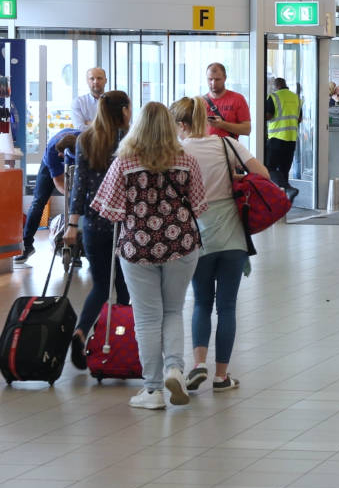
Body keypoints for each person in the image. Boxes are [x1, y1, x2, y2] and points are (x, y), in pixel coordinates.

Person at [92, 102, 207, 410]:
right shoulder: (186, 159)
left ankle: (153, 390)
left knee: (146, 318)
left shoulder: (124, 162)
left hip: (137, 246)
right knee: (173, 311)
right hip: (181, 243)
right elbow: (198, 205)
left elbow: (108, 209)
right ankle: (174, 369)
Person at [173, 96, 270, 394]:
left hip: (197, 236)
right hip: (232, 237)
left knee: (201, 302)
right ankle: (221, 376)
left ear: (181, 124)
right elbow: (263, 175)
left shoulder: (178, 151)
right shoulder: (227, 145)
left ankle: (198, 364)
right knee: (227, 306)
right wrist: (236, 178)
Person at [64, 91, 131, 369]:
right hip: (125, 223)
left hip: (94, 223)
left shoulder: (85, 140)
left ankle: (81, 332)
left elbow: (79, 185)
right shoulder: (129, 140)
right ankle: (123, 343)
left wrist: (72, 223)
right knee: (126, 286)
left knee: (101, 285)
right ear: (125, 111)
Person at [16, 126, 79, 264]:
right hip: (47, 164)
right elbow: (59, 183)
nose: (60, 157)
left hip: (76, 159)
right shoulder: (53, 153)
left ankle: (77, 249)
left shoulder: (86, 144)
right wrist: (72, 196)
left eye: (62, 155)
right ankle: (27, 246)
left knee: (79, 202)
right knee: (38, 202)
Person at [264, 77, 301, 201]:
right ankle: (285, 200)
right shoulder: (295, 97)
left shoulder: (273, 97)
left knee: (269, 167)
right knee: (284, 170)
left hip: (276, 138)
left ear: (276, 86)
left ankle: (288, 189)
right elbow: (299, 119)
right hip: (291, 139)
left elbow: (268, 116)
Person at [203, 63, 251, 139]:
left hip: (228, 148)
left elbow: (247, 130)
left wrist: (222, 125)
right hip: (206, 147)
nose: (213, 83)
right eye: (210, 79)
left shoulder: (238, 99)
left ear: (225, 78)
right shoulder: (200, 102)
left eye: (217, 79)